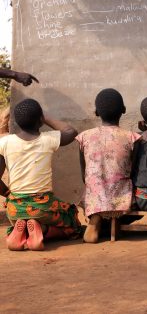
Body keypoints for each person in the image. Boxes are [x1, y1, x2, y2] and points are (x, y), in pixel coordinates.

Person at [0, 99, 82, 251]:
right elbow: (71, 132)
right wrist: (46, 118)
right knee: (73, 222)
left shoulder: (5, 142)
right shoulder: (48, 139)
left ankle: (22, 230)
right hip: (42, 207)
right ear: (40, 121)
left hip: (15, 209)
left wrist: (7, 193)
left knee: (22, 214)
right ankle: (42, 230)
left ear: (17, 122)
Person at [76, 88, 140, 243]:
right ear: (123, 110)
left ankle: (97, 217)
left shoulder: (84, 137)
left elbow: (84, 174)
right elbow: (134, 170)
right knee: (133, 194)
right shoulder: (132, 137)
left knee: (92, 185)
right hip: (121, 197)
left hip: (93, 196)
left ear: (96, 112)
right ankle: (113, 221)